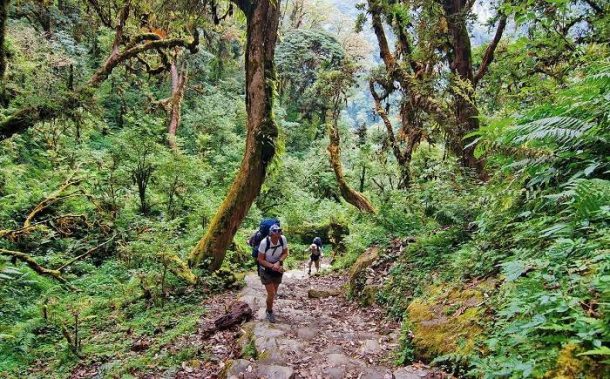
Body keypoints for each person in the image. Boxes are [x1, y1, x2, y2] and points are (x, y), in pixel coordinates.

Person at [257, 224, 288, 323]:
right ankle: (269, 311)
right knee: (271, 293)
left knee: (274, 292)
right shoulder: (264, 243)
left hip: (278, 268)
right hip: (266, 269)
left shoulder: (283, 239)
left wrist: (278, 262)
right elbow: (260, 259)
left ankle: (269, 307)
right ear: (271, 233)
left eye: (279, 231)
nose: (278, 233)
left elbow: (285, 253)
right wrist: (272, 266)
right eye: (275, 231)